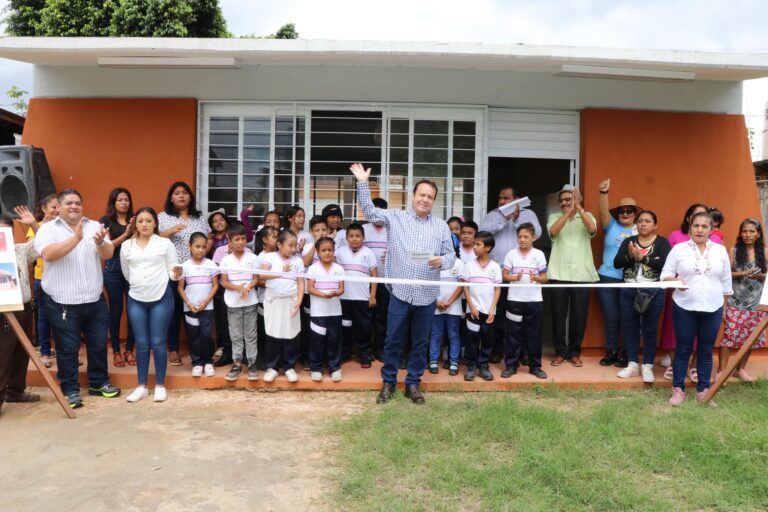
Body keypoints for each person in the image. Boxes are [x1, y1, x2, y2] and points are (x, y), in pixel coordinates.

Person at [350, 162, 455, 405]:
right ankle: (388, 382)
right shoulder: (396, 218)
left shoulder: (440, 226)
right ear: (413, 196)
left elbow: (451, 256)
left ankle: (413, 384)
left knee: (420, 342)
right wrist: (364, 184)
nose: (425, 200)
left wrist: (442, 260)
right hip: (400, 293)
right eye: (422, 195)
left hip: (427, 295)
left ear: (434, 201)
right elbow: (370, 212)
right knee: (393, 339)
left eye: (430, 197)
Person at [34, 189, 121, 409]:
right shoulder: (47, 229)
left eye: (78, 203)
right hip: (63, 301)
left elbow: (108, 254)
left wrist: (101, 243)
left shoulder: (94, 226)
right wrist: (76, 238)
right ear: (59, 206)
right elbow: (49, 255)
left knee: (99, 344)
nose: (74, 206)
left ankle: (99, 383)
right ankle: (70, 390)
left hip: (94, 299)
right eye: (69, 203)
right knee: (67, 348)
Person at [661, 211, 732, 406]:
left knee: (706, 350)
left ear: (711, 229)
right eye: (696, 226)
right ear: (690, 227)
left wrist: (724, 308)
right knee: (683, 349)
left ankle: (703, 390)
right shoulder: (679, 250)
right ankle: (678, 389)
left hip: (713, 306)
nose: (699, 230)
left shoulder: (720, 251)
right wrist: (676, 281)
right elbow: (665, 275)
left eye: (704, 226)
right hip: (684, 305)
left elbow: (726, 283)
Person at [121, 207, 181, 403]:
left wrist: (177, 274)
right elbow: (127, 273)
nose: (144, 224)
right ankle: (141, 386)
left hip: (161, 298)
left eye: (148, 221)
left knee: (157, 342)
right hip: (136, 298)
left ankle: (160, 385)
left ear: (155, 223)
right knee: (142, 343)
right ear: (135, 224)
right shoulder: (126, 246)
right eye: (140, 221)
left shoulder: (164, 244)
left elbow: (172, 271)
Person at [480, 186, 542, 364]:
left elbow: (537, 233)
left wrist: (516, 221)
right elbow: (482, 234)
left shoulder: (528, 215)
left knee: (520, 315)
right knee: (498, 314)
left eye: (506, 198)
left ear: (517, 199)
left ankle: (520, 352)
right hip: (498, 273)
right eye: (500, 198)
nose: (502, 201)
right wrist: (502, 220)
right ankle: (497, 350)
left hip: (521, 274)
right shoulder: (494, 214)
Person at [158, 181, 211, 367]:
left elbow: (209, 238)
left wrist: (203, 255)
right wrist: (170, 231)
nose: (181, 196)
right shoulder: (163, 217)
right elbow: (153, 240)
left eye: (185, 192)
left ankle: (197, 349)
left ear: (190, 197)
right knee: (173, 312)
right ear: (171, 198)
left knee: (197, 309)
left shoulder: (199, 217)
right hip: (173, 271)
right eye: (177, 193)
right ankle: (173, 349)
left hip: (197, 272)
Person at [613, 210, 670, 382]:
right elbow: (617, 263)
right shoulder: (629, 241)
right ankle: (632, 364)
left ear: (655, 225)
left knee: (650, 329)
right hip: (629, 290)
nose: (643, 224)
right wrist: (630, 256)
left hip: (653, 292)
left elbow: (665, 264)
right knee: (629, 327)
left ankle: (647, 366)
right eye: (640, 221)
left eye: (647, 221)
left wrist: (643, 259)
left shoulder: (662, 242)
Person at [547, 185, 599, 367]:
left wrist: (579, 209)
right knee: (558, 316)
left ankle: (575, 352)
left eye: (568, 199)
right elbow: (553, 232)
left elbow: (592, 229)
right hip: (558, 273)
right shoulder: (554, 217)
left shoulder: (587, 216)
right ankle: (560, 352)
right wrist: (568, 213)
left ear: (577, 200)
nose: (564, 203)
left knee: (579, 316)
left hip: (582, 274)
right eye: (562, 201)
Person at [659, 203, 709, 380]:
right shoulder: (675, 237)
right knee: (675, 330)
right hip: (679, 293)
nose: (700, 227)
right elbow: (668, 267)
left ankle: (694, 367)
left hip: (705, 296)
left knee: (701, 332)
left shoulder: (715, 242)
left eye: (704, 222)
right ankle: (675, 365)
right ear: (689, 219)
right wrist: (675, 281)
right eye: (696, 219)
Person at [0, 212, 40, 416]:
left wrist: (33, 223)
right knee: (3, 354)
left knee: (22, 350)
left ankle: (15, 391)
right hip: (3, 311)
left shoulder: (20, 250)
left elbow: (41, 243)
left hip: (23, 306)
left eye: (6, 230)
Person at [717, 218, 767, 382]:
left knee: (750, 337)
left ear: (758, 234)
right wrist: (744, 273)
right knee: (729, 336)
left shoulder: (765, 252)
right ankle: (722, 370)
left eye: (752, 231)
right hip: (735, 300)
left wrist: (760, 276)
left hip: (755, 302)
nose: (747, 234)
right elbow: (725, 275)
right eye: (744, 231)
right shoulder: (734, 250)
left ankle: (741, 369)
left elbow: (767, 276)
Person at [596, 179, 639, 368]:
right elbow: (603, 212)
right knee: (611, 317)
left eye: (629, 211)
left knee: (628, 317)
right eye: (622, 211)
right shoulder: (611, 225)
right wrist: (603, 193)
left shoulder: (640, 229)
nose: (625, 213)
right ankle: (612, 351)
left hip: (631, 279)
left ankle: (627, 353)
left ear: (635, 214)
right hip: (607, 276)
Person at [501, 223, 549, 380]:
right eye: (520, 236)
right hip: (514, 300)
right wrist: (513, 278)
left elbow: (545, 278)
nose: (522, 239)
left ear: (533, 237)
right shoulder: (511, 254)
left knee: (534, 335)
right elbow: (504, 275)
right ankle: (511, 366)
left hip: (534, 300)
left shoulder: (539, 254)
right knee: (513, 334)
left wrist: (537, 278)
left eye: (526, 236)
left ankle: (535, 367)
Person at [260, 230, 305, 383]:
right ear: (279, 244)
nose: (293, 249)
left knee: (291, 334)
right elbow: (262, 276)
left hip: (291, 301)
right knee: (273, 333)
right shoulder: (269, 257)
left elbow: (300, 282)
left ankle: (289, 367)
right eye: (290, 245)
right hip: (274, 302)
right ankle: (272, 367)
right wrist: (281, 272)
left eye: (295, 245)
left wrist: (299, 300)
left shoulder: (298, 261)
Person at [100, 187, 136, 368]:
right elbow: (108, 247)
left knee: (133, 311)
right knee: (115, 311)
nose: (124, 202)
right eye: (120, 199)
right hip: (113, 268)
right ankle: (115, 350)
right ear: (113, 202)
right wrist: (126, 233)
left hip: (134, 268)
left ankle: (130, 349)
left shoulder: (136, 219)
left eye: (126, 199)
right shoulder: (106, 221)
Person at [219, 223, 260, 382]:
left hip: (250, 302)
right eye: (236, 239)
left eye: (243, 238)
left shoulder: (253, 258)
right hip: (233, 303)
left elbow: (256, 278)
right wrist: (238, 288)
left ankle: (252, 363)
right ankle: (237, 364)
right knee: (236, 335)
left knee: (250, 334)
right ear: (229, 241)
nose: (241, 242)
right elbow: (224, 282)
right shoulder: (225, 260)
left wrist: (247, 288)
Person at [462, 231, 502, 381]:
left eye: (478, 244)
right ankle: (471, 366)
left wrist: (492, 309)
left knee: (487, 338)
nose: (474, 247)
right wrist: (471, 306)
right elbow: (465, 287)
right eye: (474, 244)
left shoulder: (495, 267)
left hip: (489, 312)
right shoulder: (469, 265)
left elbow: (498, 289)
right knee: (472, 338)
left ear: (488, 247)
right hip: (473, 311)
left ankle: (483, 366)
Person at [337, 223, 378, 367]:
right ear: (346, 237)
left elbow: (374, 276)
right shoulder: (340, 252)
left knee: (364, 327)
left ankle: (364, 354)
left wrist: (372, 296)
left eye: (358, 236)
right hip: (344, 298)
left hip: (362, 298)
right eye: (351, 236)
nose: (354, 239)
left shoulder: (368, 253)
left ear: (363, 237)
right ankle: (345, 352)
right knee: (345, 326)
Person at [179, 232, 219, 378]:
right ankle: (197, 362)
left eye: (203, 247)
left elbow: (215, 286)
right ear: (189, 247)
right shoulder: (184, 266)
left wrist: (206, 302)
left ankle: (208, 362)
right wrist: (189, 303)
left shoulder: (211, 264)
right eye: (197, 246)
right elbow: (180, 287)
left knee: (207, 335)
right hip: (190, 308)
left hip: (206, 307)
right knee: (194, 335)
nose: (201, 250)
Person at [305, 237, 345, 382]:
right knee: (317, 340)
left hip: (335, 311)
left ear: (334, 252)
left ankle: (335, 367)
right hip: (318, 312)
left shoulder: (339, 268)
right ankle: (316, 368)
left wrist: (335, 293)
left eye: (330, 250)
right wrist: (323, 295)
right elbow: (310, 288)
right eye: (324, 250)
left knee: (334, 339)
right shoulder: (313, 268)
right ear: (317, 252)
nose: (327, 253)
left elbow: (341, 289)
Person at [32, 193, 59, 368]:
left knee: (63, 316)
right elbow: (32, 250)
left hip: (61, 279)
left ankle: (65, 351)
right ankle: (44, 352)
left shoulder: (64, 227)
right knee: (43, 316)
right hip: (42, 278)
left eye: (59, 207)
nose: (57, 211)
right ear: (44, 209)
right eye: (53, 207)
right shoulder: (37, 226)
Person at [428, 245, 464, 376]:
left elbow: (461, 286)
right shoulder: (433, 263)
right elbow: (429, 283)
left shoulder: (459, 263)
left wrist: (449, 302)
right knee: (436, 335)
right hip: (436, 305)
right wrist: (436, 300)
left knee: (453, 335)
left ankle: (454, 362)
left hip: (453, 306)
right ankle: (433, 361)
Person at [363, 197, 389, 362]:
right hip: (365, 281)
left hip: (386, 281)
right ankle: (365, 350)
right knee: (365, 317)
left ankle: (379, 348)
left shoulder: (392, 229)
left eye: (381, 213)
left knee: (382, 317)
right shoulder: (363, 229)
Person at [255, 226, 279, 370]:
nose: (277, 240)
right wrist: (277, 280)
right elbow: (258, 280)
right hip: (263, 299)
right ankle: (262, 360)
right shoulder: (261, 257)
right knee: (264, 331)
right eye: (274, 237)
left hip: (278, 299)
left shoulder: (279, 255)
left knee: (275, 331)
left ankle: (275, 359)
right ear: (264, 240)